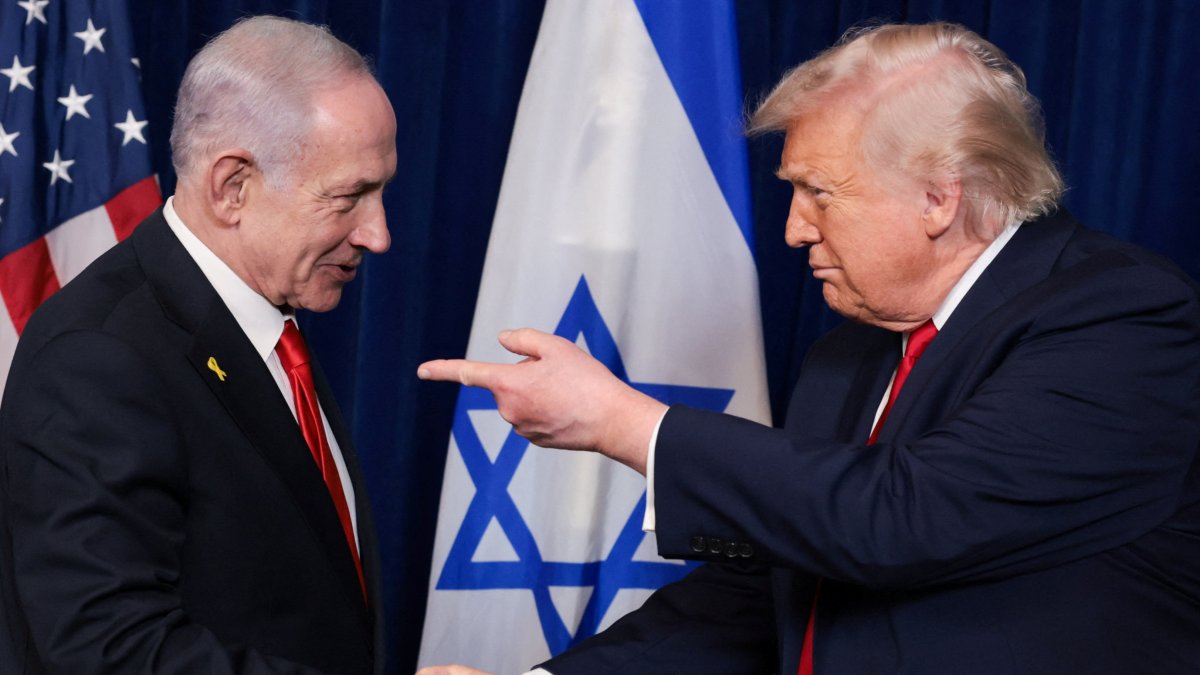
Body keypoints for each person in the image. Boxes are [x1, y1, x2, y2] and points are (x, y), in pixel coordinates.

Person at [417, 22, 1200, 674]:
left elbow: (905, 517)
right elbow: (758, 598)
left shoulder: (1121, 316)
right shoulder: (848, 356)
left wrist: (626, 422)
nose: (794, 228)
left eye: (819, 192)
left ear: (938, 196)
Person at [0, 16, 396, 673]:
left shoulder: (263, 315)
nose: (377, 234)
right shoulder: (98, 359)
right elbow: (108, 653)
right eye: (350, 197)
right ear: (231, 187)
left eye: (381, 190)